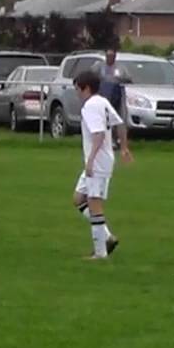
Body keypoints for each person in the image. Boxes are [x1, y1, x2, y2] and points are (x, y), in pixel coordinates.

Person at [71, 70, 133, 260]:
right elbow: (120, 124)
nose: (77, 94)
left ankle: (100, 253)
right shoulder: (103, 101)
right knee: (78, 198)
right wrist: (123, 148)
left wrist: (90, 160)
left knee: (94, 203)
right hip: (102, 159)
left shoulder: (90, 106)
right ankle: (107, 237)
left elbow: (98, 134)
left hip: (98, 162)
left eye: (78, 90)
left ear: (86, 88)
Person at [98, 49, 126, 117]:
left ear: (115, 57)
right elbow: (91, 74)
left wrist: (120, 78)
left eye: (111, 56)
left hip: (115, 93)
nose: (109, 58)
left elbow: (128, 78)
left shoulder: (120, 67)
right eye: (108, 56)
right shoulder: (100, 65)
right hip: (102, 93)